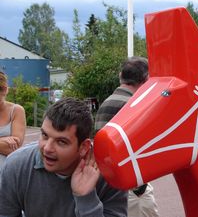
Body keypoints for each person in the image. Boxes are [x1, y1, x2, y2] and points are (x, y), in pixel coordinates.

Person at [0, 97, 128, 217]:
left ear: (84, 147)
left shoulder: (110, 174)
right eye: (45, 135)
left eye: (61, 141)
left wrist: (86, 198)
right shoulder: (17, 166)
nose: (47, 148)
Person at [94, 56, 160, 217]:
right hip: (131, 192)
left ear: (120, 76)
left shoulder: (107, 103)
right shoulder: (133, 107)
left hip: (107, 186)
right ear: (146, 79)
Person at [0, 71, 26, 171]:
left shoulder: (16, 111)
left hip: (7, 175)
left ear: (5, 90)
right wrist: (3, 141)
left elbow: (14, 149)